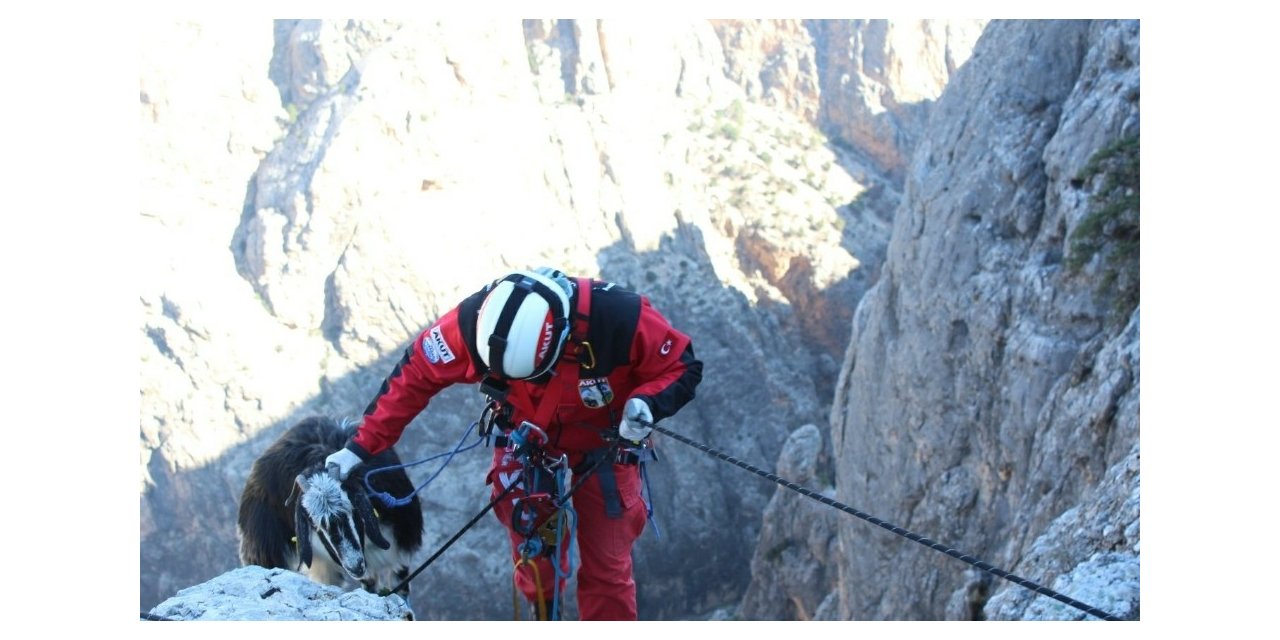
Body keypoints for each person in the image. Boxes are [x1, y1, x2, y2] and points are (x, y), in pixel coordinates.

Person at [324, 267, 703, 620]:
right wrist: (359, 448)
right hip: (527, 435)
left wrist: (647, 405)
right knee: (532, 548)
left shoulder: (618, 317)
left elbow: (681, 366)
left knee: (608, 561)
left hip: (606, 440)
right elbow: (417, 374)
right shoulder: (474, 322)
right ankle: (545, 616)